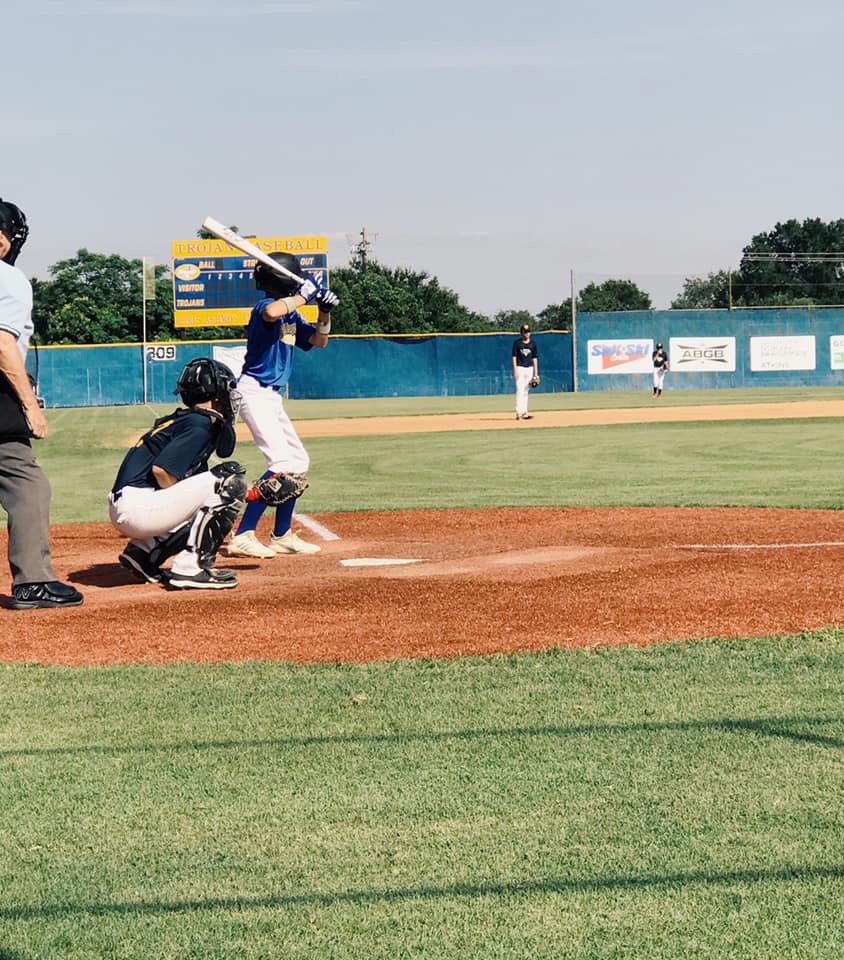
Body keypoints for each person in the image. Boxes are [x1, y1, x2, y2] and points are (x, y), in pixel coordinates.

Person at [226, 253, 338, 559]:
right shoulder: (266, 306)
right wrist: (304, 296)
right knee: (280, 463)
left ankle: (282, 535)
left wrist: (324, 312)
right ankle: (243, 535)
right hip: (254, 392)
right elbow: (273, 312)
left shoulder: (292, 317)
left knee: (297, 462)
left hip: (271, 397)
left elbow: (319, 341)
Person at [0, 198, 83, 610]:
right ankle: (33, 582)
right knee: (28, 486)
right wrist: (30, 406)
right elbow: (2, 343)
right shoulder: (8, 278)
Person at [108, 358, 250, 590]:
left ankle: (143, 552)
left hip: (131, 505)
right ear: (215, 393)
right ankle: (191, 567)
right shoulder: (200, 424)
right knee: (228, 480)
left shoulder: (188, 420)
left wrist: (253, 496)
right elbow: (162, 471)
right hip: (138, 508)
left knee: (208, 497)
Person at [512, 323, 539, 420]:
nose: (527, 333)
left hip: (529, 368)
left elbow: (535, 358)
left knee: (526, 391)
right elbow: (514, 357)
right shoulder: (517, 343)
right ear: (521, 333)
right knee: (520, 389)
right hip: (520, 368)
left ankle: (524, 412)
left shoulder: (533, 344)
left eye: (528, 331)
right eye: (525, 332)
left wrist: (536, 373)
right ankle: (518, 412)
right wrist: (515, 370)